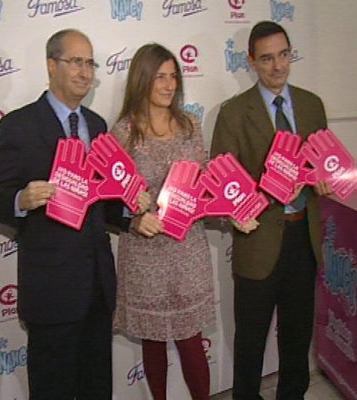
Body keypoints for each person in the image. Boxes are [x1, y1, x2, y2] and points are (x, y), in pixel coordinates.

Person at [0, 29, 128, 400]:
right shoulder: (20, 125)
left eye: (90, 63)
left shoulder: (97, 125)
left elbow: (102, 201)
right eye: (75, 61)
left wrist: (131, 207)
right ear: (51, 65)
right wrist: (21, 199)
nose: (84, 72)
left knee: (97, 387)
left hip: (97, 284)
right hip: (52, 289)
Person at [211, 21, 332, 400]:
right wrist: (269, 189)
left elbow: (321, 165)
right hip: (258, 241)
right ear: (251, 61)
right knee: (250, 340)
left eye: (283, 55)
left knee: (297, 337)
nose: (278, 66)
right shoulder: (234, 113)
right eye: (266, 59)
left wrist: (322, 179)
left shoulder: (312, 105)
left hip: (303, 238)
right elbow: (220, 183)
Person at [111, 43, 216, 400]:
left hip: (188, 250)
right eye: (160, 77)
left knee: (191, 340)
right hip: (145, 253)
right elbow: (112, 197)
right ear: (142, 79)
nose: (169, 85)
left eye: (173, 76)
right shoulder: (123, 132)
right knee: (153, 340)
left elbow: (204, 180)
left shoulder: (190, 125)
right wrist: (134, 217)